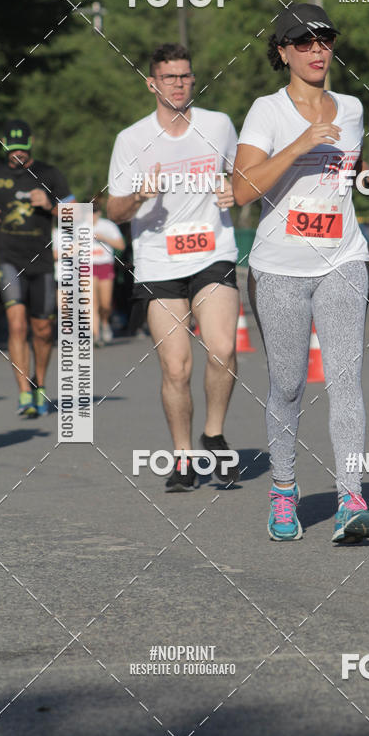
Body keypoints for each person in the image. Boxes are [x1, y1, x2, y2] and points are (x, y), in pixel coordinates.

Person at [233, 3, 369, 542]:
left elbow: (346, 165)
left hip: (343, 257)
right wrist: (300, 142)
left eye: (324, 40)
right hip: (279, 268)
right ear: (282, 52)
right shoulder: (267, 112)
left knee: (346, 379)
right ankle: (283, 489)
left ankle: (351, 497)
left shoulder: (349, 108)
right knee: (290, 383)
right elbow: (240, 191)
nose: (317, 50)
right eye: (303, 42)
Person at [107, 43, 240, 493]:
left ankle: (214, 435)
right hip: (159, 260)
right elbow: (114, 209)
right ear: (152, 83)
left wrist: (234, 192)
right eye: (169, 77)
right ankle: (183, 457)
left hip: (212, 252)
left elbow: (243, 175)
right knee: (177, 367)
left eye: (185, 76)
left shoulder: (218, 125)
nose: (179, 84)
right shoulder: (132, 139)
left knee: (222, 347)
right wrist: (140, 195)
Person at [0, 119, 74, 417]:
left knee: (42, 330)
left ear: (30, 144)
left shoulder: (49, 173)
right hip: (8, 259)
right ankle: (24, 392)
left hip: (42, 262)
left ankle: (40, 384)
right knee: (17, 325)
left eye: (22, 150)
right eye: (12, 150)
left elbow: (77, 213)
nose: (17, 155)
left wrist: (50, 204)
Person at [91, 199, 125, 346]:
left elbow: (121, 245)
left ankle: (105, 323)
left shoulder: (107, 226)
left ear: (98, 213)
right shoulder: (78, 227)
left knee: (105, 304)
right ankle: (95, 334)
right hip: (87, 266)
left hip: (105, 265)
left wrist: (103, 238)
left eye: (93, 213)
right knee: (92, 302)